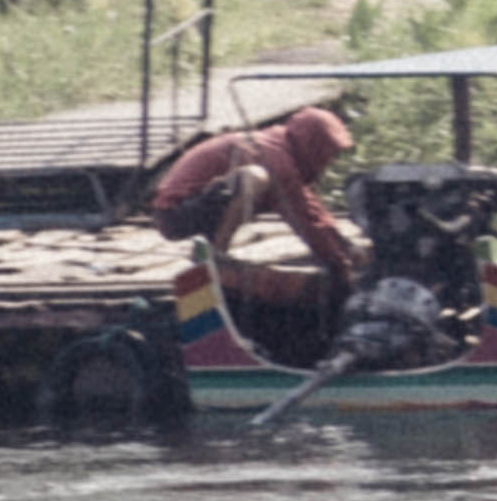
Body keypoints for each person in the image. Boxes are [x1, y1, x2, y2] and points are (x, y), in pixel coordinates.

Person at [145, 103, 366, 360]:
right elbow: (303, 220)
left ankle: (214, 247)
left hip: (199, 204)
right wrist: (340, 269)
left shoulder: (281, 149)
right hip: (176, 214)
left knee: (258, 180)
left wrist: (345, 245)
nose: (329, 161)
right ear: (313, 144)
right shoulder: (273, 156)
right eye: (329, 153)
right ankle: (215, 255)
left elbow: (309, 208)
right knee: (255, 177)